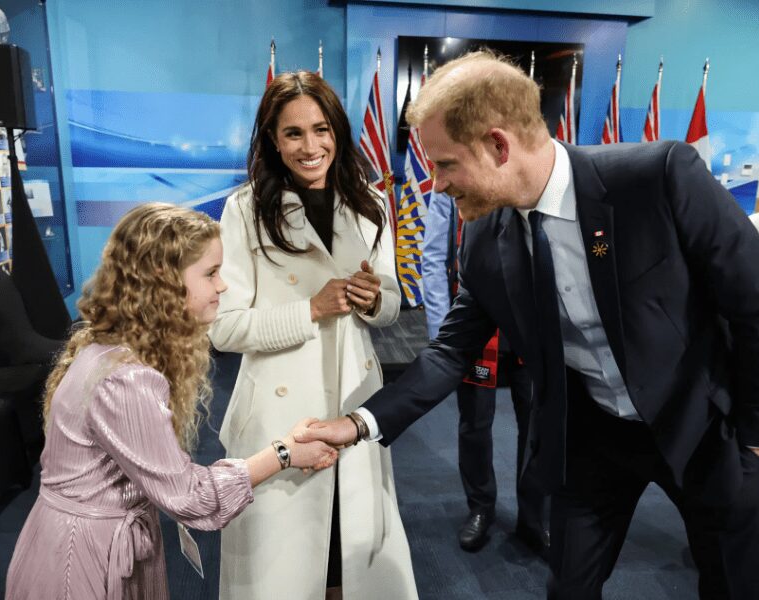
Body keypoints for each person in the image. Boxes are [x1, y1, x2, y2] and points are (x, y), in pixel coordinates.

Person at [298, 50, 759, 599]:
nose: (436, 185)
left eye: (445, 164)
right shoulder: (484, 240)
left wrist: (754, 433)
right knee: (567, 589)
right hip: (593, 440)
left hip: (705, 429)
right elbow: (451, 351)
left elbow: (751, 303)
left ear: (499, 145)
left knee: (732, 583)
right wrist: (358, 423)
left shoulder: (657, 177)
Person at [5, 203, 338, 600]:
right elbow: (190, 497)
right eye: (211, 273)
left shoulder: (110, 350)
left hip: (76, 543)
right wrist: (284, 453)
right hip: (83, 561)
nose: (222, 286)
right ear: (164, 282)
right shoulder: (127, 378)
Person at [208, 71, 418, 600]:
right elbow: (224, 328)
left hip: (353, 404)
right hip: (280, 420)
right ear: (273, 140)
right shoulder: (245, 209)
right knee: (285, 568)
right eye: (293, 133)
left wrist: (375, 300)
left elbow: (391, 302)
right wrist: (310, 310)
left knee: (351, 561)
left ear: (337, 132)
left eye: (321, 129)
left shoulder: (370, 203)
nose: (310, 146)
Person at [422, 190, 547, 552]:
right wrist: (444, 335)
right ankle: (480, 508)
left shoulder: (530, 181)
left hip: (530, 326)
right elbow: (433, 259)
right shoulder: (455, 185)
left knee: (537, 426)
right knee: (475, 425)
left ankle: (534, 517)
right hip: (476, 328)